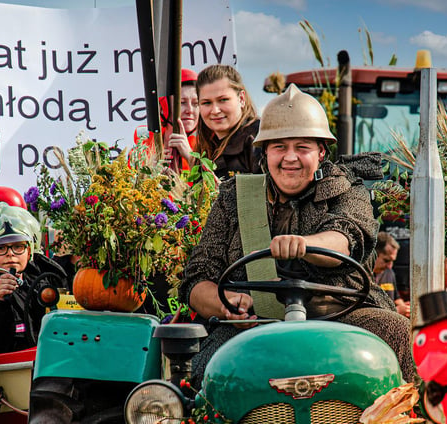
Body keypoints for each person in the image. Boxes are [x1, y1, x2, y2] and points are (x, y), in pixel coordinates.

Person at [179, 84, 417, 387]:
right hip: (249, 328)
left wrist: (306, 245)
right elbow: (198, 276)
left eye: (302, 147)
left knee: (402, 335)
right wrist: (225, 304)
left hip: (342, 319)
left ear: (321, 152)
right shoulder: (234, 198)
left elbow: (347, 237)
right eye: (279, 147)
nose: (290, 157)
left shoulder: (348, 190)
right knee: (198, 379)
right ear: (264, 152)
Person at [0, 215, 66, 356]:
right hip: (10, 370)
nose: (10, 253)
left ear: (29, 251)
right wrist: (0, 303)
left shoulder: (42, 280)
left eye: (18, 246)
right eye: (0, 248)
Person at [195, 65, 262, 179]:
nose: (215, 110)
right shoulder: (206, 146)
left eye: (223, 100)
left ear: (241, 99)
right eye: (206, 103)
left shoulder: (258, 139)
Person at [162, 68, 200, 168]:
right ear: (164, 106)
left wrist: (190, 157)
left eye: (196, 104)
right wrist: (147, 171)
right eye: (182, 103)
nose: (190, 110)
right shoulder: (144, 143)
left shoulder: (210, 145)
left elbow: (218, 183)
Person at [374, 232, 410, 317]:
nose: (390, 266)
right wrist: (396, 311)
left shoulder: (389, 273)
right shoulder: (359, 276)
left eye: (392, 261)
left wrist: (405, 308)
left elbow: (396, 297)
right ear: (373, 255)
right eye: (386, 260)